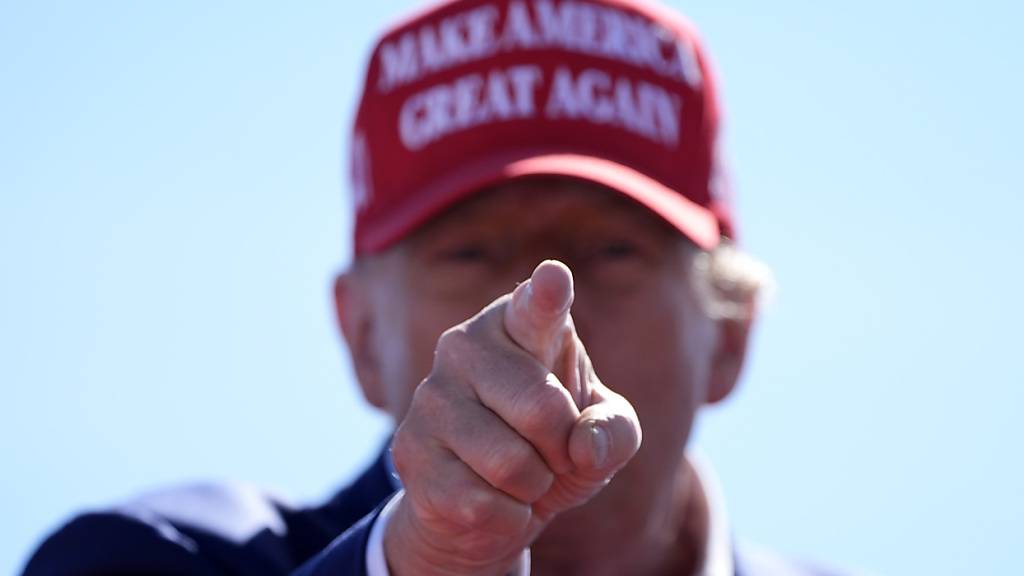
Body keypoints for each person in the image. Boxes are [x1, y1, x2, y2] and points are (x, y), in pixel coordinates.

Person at [23, 0, 832, 574]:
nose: (541, 310)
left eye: (614, 251)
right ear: (362, 333)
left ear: (729, 331)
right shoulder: (153, 557)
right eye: (472, 252)